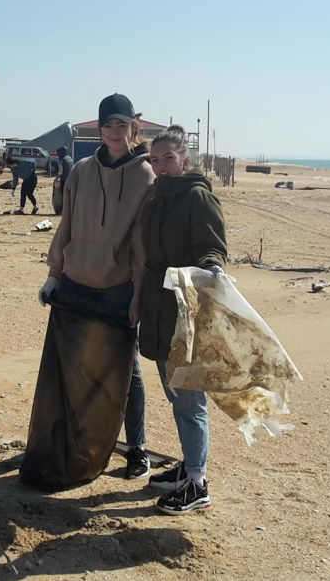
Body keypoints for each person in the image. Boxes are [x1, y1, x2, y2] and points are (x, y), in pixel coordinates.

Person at [41, 93, 156, 480]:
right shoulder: (82, 170)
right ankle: (77, 442)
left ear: (132, 127)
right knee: (73, 363)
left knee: (126, 371)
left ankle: (136, 448)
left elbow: (141, 243)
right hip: (75, 281)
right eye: (107, 125)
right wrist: (54, 273)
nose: (113, 132)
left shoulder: (146, 175)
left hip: (117, 287)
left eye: (121, 125)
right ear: (99, 127)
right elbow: (67, 223)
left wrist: (138, 292)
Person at [138, 125, 227, 514]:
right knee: (176, 395)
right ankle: (188, 467)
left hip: (185, 307)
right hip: (158, 306)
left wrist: (211, 267)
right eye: (155, 161)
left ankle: (197, 482)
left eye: (168, 159)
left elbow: (212, 246)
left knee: (190, 399)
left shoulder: (197, 196)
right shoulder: (156, 197)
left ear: (185, 160)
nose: (161, 167)